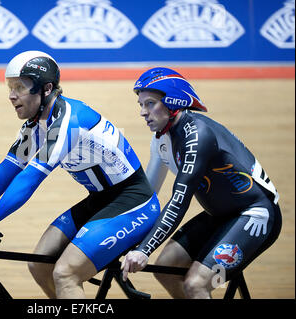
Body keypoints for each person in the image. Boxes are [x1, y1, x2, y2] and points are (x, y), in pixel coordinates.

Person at [0, 51, 161, 299]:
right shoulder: (38, 122)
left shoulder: (68, 122)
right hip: (101, 200)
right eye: (10, 86)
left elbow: (29, 179)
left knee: (65, 273)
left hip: (134, 202)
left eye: (20, 87)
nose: (11, 95)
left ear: (46, 88)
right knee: (39, 265)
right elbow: (7, 169)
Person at [121, 67, 282, 299]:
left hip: (255, 215)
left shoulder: (198, 135)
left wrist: (144, 250)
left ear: (173, 101)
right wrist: (126, 234)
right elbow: (147, 195)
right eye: (141, 105)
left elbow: (178, 202)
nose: (143, 113)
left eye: (150, 103)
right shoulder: (162, 140)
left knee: (196, 284)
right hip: (219, 216)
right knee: (166, 267)